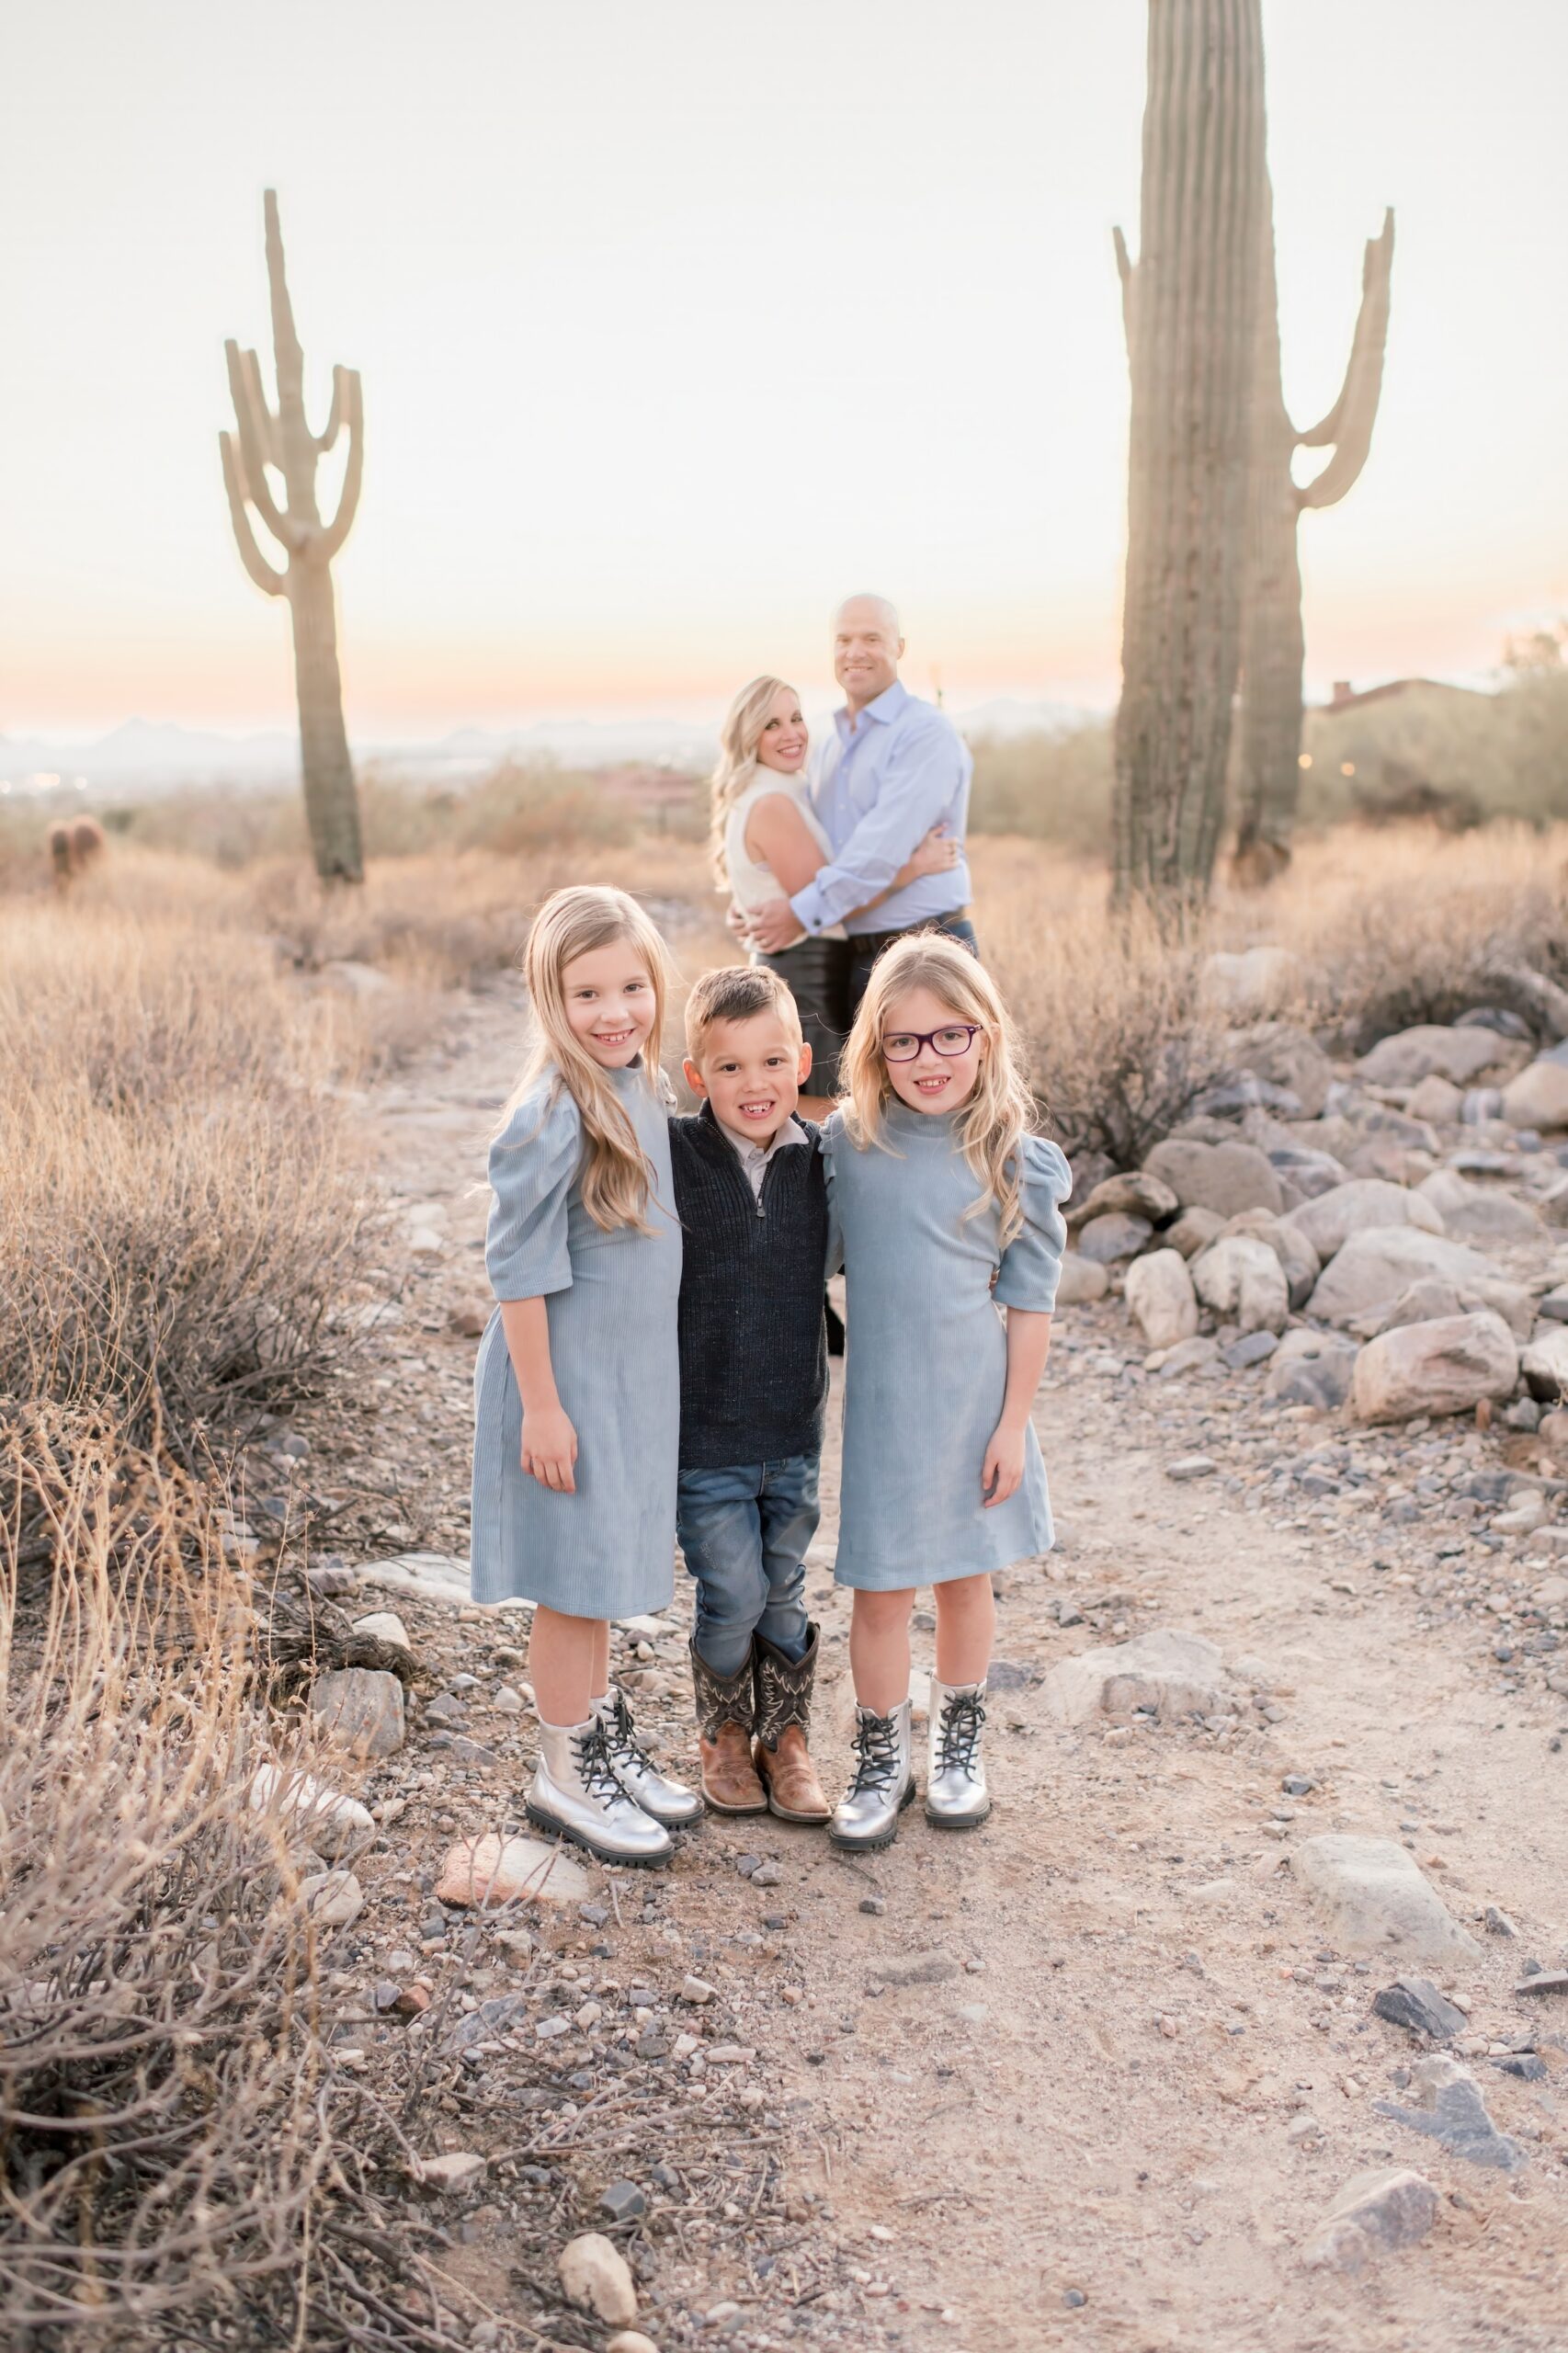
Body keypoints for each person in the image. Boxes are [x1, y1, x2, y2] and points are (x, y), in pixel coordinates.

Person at [820, 932, 1071, 1851]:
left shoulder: (1014, 1157)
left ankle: (958, 1746)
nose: (927, 1059)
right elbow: (804, 1258)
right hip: (885, 1412)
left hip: (975, 1410)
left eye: (948, 1036)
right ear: (874, 1049)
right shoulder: (850, 1147)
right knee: (880, 1594)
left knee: (966, 1583)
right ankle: (880, 1755)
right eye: (904, 1041)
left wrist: (1011, 1425)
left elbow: (1029, 1306)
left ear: (985, 1035)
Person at [470, 885, 702, 1865]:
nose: (614, 1013)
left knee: (601, 1570)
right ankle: (562, 1772)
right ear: (547, 1000)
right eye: (585, 995)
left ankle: (596, 1734)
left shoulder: (641, 1084)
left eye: (631, 986)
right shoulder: (548, 1114)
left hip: (624, 1381)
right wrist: (544, 1408)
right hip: (559, 1383)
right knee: (571, 1583)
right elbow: (517, 1274)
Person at [668, 964, 833, 1823]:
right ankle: (725, 1736)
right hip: (706, 1434)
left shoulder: (825, 1165)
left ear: (802, 1062)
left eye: (772, 1062)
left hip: (793, 1427)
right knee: (730, 1587)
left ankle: (788, 1739)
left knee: (783, 1583)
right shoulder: (674, 1157)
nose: (754, 1084)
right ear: (697, 1078)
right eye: (728, 1067)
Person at [712, 673, 958, 1115]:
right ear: (748, 736)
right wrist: (916, 866)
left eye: (796, 718)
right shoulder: (773, 804)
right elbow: (835, 903)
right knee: (826, 1107)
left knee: (834, 1103)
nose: (791, 734)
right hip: (806, 973)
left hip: (810, 966)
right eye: (771, 725)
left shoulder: (781, 791)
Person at [741, 596, 976, 1016]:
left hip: (926, 948)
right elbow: (813, 852)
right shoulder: (827, 747)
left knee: (936, 1076)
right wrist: (753, 906)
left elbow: (876, 857)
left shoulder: (924, 734)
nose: (855, 652)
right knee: (865, 1084)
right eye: (844, 639)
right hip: (851, 956)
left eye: (872, 638)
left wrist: (799, 912)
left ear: (899, 647)